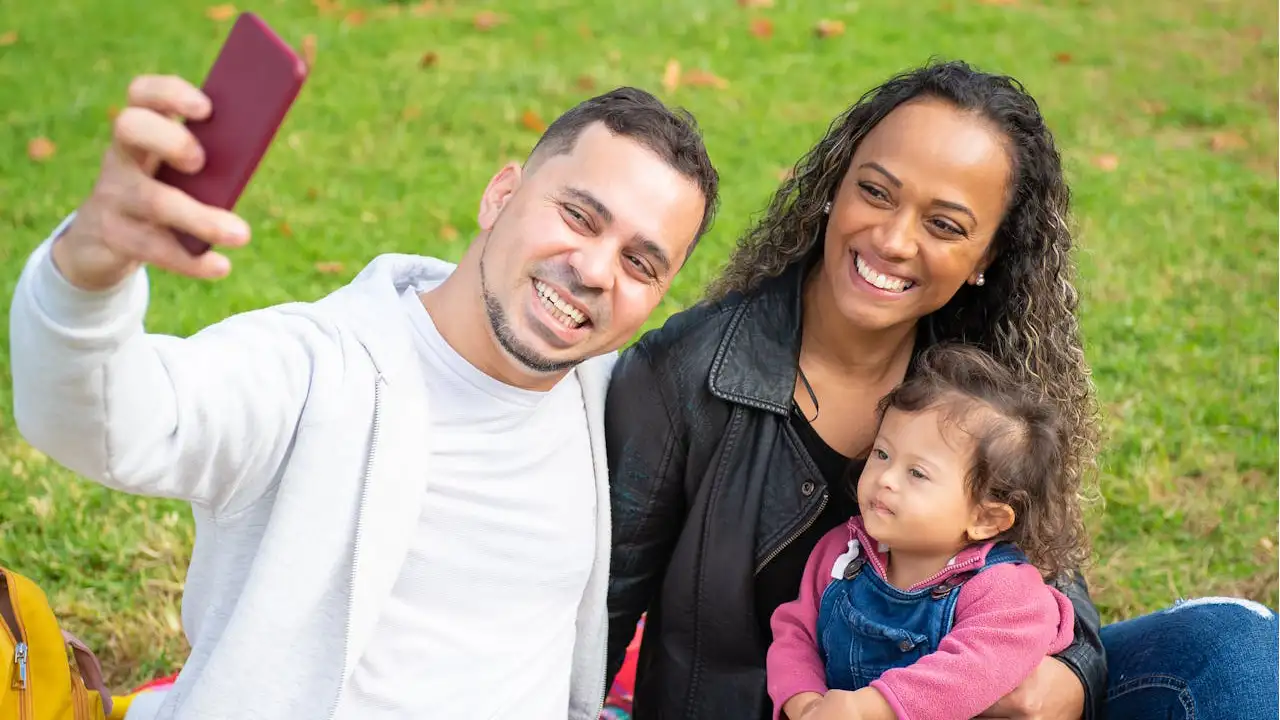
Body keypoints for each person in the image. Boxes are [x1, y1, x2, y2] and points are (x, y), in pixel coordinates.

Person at [8, 76, 719, 719]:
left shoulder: (608, 400)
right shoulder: (316, 370)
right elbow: (103, 423)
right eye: (578, 216)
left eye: (639, 262)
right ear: (501, 195)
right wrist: (86, 279)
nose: (594, 269)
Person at [604, 59, 1279, 720]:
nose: (894, 240)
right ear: (832, 188)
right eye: (875, 191)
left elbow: (1054, 596)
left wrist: (1061, 684)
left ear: (987, 256)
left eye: (945, 225)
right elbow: (597, 615)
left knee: (1234, 649)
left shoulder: (981, 387)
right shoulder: (686, 373)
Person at [767, 344, 1081, 720]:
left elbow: (970, 673)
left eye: (917, 473)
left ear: (986, 519)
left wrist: (868, 709)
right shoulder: (843, 553)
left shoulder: (1008, 593)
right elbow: (795, 633)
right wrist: (806, 705)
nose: (885, 479)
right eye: (881, 454)